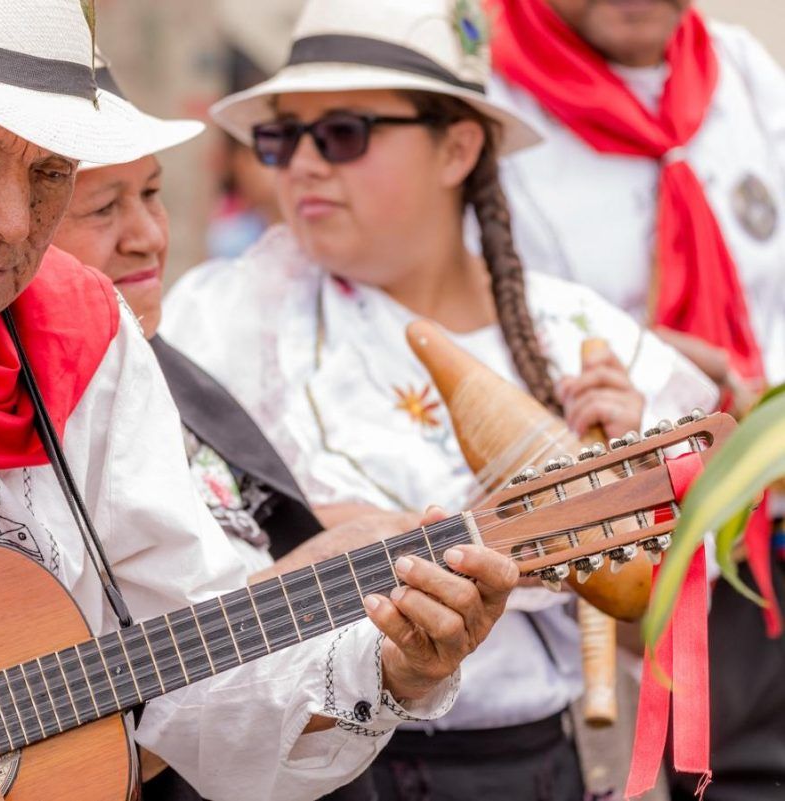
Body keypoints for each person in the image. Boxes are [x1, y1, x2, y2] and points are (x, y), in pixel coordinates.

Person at [0, 3, 521, 801]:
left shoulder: (92, 344)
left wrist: (383, 665)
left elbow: (199, 687)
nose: (10, 219)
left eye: (50, 175)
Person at [160, 0, 717, 798]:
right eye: (281, 137)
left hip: (523, 770)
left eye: (344, 133)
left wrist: (636, 523)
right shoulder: (217, 319)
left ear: (458, 146)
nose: (303, 165)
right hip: (295, 771)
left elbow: (662, 636)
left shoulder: (582, 334)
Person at [54, 53, 432, 801]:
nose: (147, 236)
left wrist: (333, 541)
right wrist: (304, 575)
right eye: (104, 208)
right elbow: (77, 694)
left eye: (154, 194)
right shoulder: (27, 403)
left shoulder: (169, 369)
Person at [486, 1, 785, 797]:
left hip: (773, 512)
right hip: (642, 553)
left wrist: (746, 392)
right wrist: (670, 376)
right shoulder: (486, 91)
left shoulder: (739, 71)